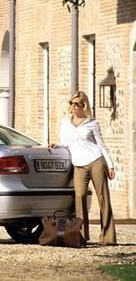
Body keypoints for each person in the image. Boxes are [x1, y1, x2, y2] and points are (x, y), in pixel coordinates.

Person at [49, 90, 116, 245]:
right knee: (79, 196)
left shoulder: (92, 123)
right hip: (78, 164)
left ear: (83, 105)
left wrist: (110, 165)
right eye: (71, 103)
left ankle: (108, 237)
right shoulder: (65, 121)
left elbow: (101, 145)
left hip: (96, 161)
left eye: (77, 104)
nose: (73, 106)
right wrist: (57, 144)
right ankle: (81, 236)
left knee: (103, 198)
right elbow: (66, 141)